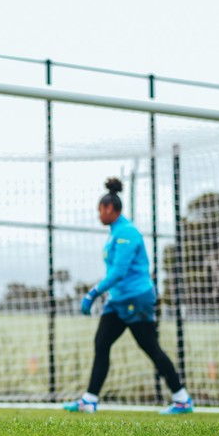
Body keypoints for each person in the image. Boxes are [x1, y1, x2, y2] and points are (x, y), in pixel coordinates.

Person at [64, 177, 193, 415]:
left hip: (136, 298)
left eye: (100, 210)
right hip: (118, 299)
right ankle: (89, 400)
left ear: (110, 209)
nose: (99, 215)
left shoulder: (127, 233)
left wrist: (93, 292)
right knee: (101, 343)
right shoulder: (115, 233)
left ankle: (182, 399)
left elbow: (119, 272)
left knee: (150, 347)